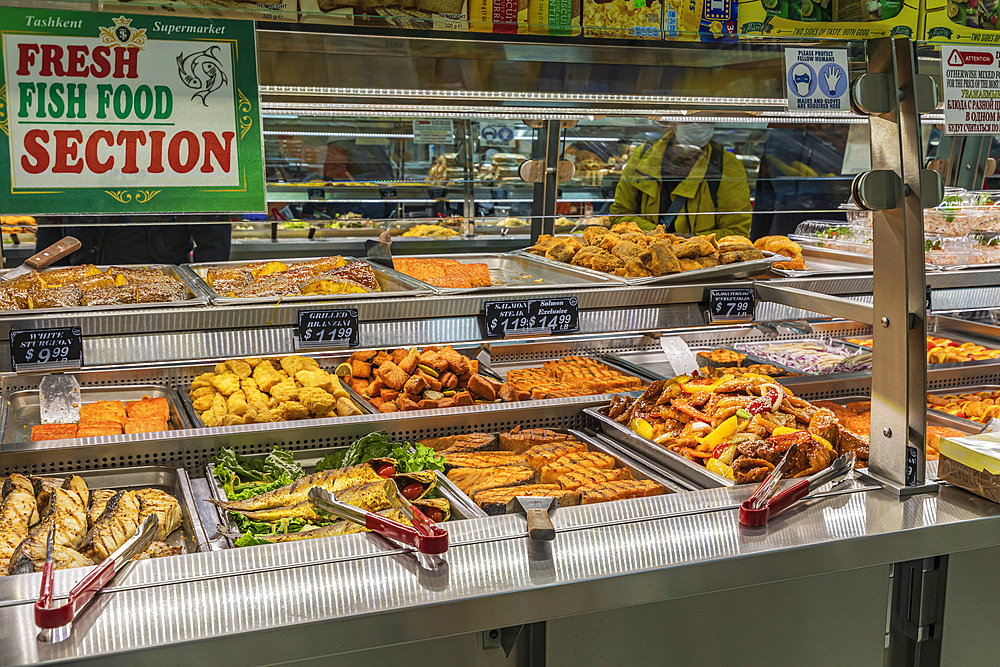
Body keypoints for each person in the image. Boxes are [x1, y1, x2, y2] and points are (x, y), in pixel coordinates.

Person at [610, 123, 751, 236]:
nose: (698, 123)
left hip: (703, 266)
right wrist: (658, 235)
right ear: (673, 120)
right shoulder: (643, 156)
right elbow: (620, 217)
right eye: (690, 117)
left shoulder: (727, 165)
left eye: (707, 117)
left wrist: (692, 241)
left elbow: (737, 232)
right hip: (644, 259)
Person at [34, 216, 232, 266]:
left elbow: (213, 231)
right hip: (81, 276)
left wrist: (207, 288)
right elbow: (51, 220)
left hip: (161, 281)